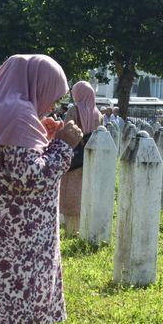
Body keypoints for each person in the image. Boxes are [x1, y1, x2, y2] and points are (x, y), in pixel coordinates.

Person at [0, 54, 82, 324]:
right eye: (53, 96)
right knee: (7, 316)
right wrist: (65, 145)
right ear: (37, 84)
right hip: (9, 244)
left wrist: (42, 140)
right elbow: (28, 178)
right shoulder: (19, 112)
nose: (53, 105)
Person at [60, 81, 102, 235]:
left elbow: (66, 131)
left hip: (74, 158)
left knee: (70, 191)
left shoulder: (74, 110)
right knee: (86, 191)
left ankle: (71, 230)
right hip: (91, 159)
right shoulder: (98, 114)